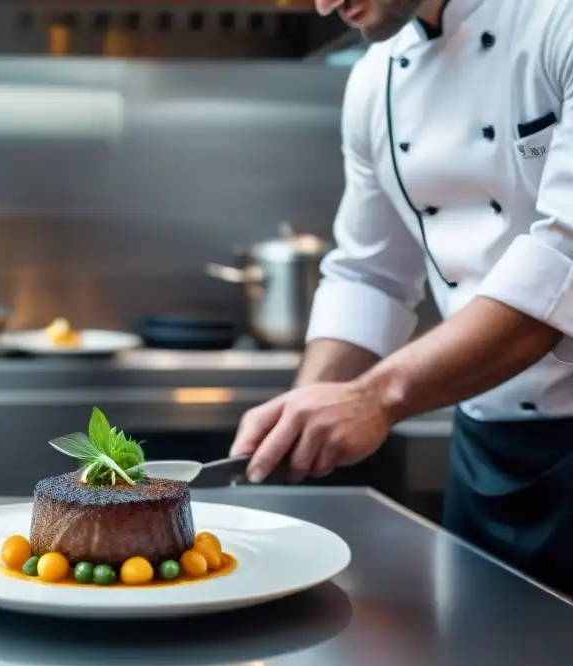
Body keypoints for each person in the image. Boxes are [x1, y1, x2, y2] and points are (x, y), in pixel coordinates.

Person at [230, 0, 573, 595]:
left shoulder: (556, 21)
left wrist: (375, 397)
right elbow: (371, 274)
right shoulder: (374, 78)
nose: (326, 5)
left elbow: (564, 260)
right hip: (486, 452)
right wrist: (307, 406)